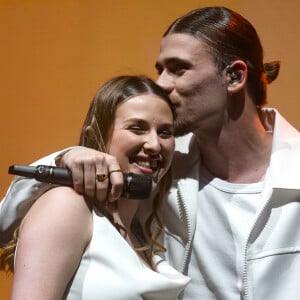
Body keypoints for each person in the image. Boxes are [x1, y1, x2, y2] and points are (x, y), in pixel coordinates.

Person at [1, 6, 300, 300]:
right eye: (161, 70)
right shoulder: (162, 168)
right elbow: (7, 224)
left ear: (234, 76)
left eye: (178, 69)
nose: (161, 85)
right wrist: (67, 157)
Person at [0, 75, 191, 299]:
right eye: (137, 128)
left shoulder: (142, 231)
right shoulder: (67, 205)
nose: (154, 144)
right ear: (96, 135)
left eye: (165, 133)